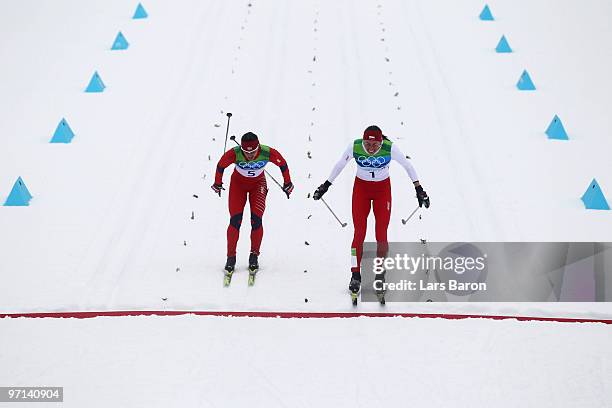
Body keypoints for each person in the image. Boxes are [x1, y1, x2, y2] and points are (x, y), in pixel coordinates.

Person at [313, 125, 429, 295]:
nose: (371, 149)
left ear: (382, 142)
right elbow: (339, 165)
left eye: (375, 145)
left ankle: (380, 275)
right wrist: (326, 185)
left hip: (383, 191)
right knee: (359, 232)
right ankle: (355, 275)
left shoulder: (390, 148)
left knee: (381, 233)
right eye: (367, 144)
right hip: (361, 190)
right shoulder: (355, 146)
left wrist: (419, 189)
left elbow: (407, 166)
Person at [212, 132, 294, 277]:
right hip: (238, 185)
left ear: (258, 147)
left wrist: (287, 182)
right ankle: (231, 258)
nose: (249, 155)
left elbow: (283, 164)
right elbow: (221, 165)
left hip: (258, 185)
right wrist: (217, 183)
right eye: (245, 152)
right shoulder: (235, 153)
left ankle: (254, 256)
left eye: (253, 151)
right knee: (235, 221)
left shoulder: (267, 152)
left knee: (256, 220)